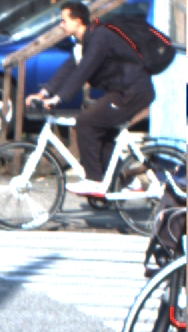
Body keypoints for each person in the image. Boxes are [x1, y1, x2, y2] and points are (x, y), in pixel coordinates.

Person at [28, 2, 155, 196]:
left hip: (132, 92)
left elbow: (83, 71)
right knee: (103, 135)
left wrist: (58, 99)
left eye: (64, 20)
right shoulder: (84, 42)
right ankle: (128, 181)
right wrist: (44, 93)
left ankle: (94, 180)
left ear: (78, 21)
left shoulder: (99, 38)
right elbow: (69, 68)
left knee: (86, 122)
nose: (61, 25)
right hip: (123, 91)